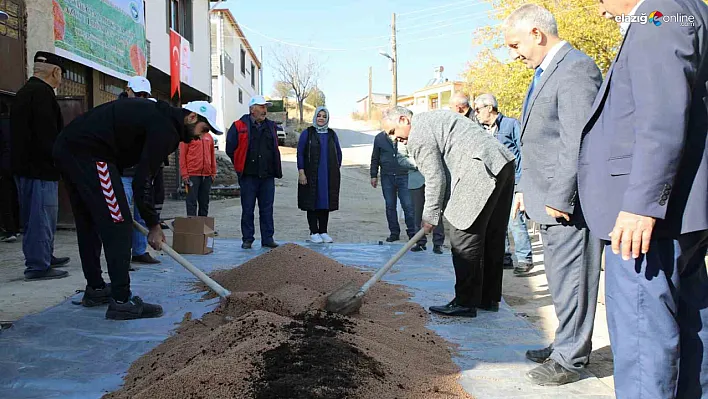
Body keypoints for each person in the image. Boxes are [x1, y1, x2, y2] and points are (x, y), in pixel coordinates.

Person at [579, 0, 708, 397]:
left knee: (642, 339)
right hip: (681, 212)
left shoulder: (658, 13)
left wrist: (641, 205)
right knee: (692, 331)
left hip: (645, 218)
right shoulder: (687, 9)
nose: (600, 10)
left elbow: (662, 116)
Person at [503, 4, 603, 386]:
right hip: (544, 197)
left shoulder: (575, 69)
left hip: (566, 203)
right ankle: (565, 341)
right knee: (561, 281)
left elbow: (577, 141)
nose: (514, 56)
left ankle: (571, 358)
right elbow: (538, 142)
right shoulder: (546, 71)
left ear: (536, 34)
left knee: (574, 280)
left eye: (515, 46)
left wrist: (560, 196)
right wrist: (527, 191)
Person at [53, 99, 222, 320]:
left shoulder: (161, 119)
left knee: (90, 222)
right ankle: (122, 301)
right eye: (204, 129)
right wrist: (153, 224)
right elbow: (142, 180)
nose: (201, 136)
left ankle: (95, 289)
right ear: (191, 117)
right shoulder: (166, 129)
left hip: (69, 149)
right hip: (91, 154)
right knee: (119, 223)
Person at [385, 107, 515, 318]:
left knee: (463, 233)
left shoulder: (418, 134)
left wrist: (430, 216)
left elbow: (436, 178)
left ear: (403, 119)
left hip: (480, 167)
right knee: (491, 234)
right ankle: (488, 299)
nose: (395, 138)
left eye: (393, 131)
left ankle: (465, 302)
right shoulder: (432, 116)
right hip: (502, 163)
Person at [10, 52, 71, 281]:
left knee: (41, 216)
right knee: (39, 217)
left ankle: (45, 255)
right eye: (61, 75)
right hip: (39, 170)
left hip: (27, 168)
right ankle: (38, 265)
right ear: (56, 72)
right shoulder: (42, 95)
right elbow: (48, 137)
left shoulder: (25, 92)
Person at [474, 93, 533, 274]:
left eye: (478, 109)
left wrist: (522, 181)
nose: (476, 113)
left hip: (513, 181)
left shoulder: (511, 125)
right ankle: (504, 257)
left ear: (489, 108)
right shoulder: (479, 130)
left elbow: (523, 152)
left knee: (515, 221)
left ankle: (524, 259)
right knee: (497, 222)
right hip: (493, 182)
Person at [226, 95, 282, 249]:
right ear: (252, 109)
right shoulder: (238, 126)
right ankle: (247, 239)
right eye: (261, 107)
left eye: (265, 107)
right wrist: (240, 165)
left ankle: (268, 239)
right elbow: (230, 149)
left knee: (267, 209)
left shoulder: (271, 126)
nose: (265, 110)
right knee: (248, 209)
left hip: (267, 176)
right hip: (248, 177)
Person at [118, 77, 160, 265]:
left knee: (142, 214)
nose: (140, 98)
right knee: (123, 216)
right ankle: (123, 255)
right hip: (122, 172)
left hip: (141, 173)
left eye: (144, 95)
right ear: (128, 90)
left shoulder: (149, 113)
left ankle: (140, 251)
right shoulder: (117, 112)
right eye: (138, 94)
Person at [297, 106, 342, 243]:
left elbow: (338, 153)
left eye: (324, 116)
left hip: (327, 175)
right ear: (315, 117)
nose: (321, 118)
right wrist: (301, 172)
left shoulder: (332, 134)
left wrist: (334, 169)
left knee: (325, 202)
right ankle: (313, 232)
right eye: (319, 116)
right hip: (311, 174)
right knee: (312, 202)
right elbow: (300, 153)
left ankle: (323, 231)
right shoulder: (308, 133)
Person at [395, 140, 444, 254]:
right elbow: (401, 158)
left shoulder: (428, 134)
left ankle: (438, 243)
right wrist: (420, 164)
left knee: (436, 211)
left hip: (433, 179)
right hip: (415, 181)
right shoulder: (403, 140)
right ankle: (420, 242)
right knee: (417, 213)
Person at [370, 129, 415, 242]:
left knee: (408, 206)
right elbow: (375, 157)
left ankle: (412, 233)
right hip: (387, 176)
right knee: (390, 206)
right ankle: (394, 233)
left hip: (404, 175)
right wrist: (373, 175)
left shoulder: (404, 135)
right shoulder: (379, 138)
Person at [179, 120, 217, 217]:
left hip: (207, 175)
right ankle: (193, 228)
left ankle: (203, 228)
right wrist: (184, 174)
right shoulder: (188, 135)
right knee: (191, 202)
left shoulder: (209, 137)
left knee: (204, 203)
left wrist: (213, 173)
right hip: (192, 175)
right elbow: (182, 155)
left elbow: (212, 155)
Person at [0, 103, 19, 243]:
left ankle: (10, 230)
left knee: (5, 198)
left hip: (4, 166)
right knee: (15, 196)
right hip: (18, 165)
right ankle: (17, 227)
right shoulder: (14, 123)